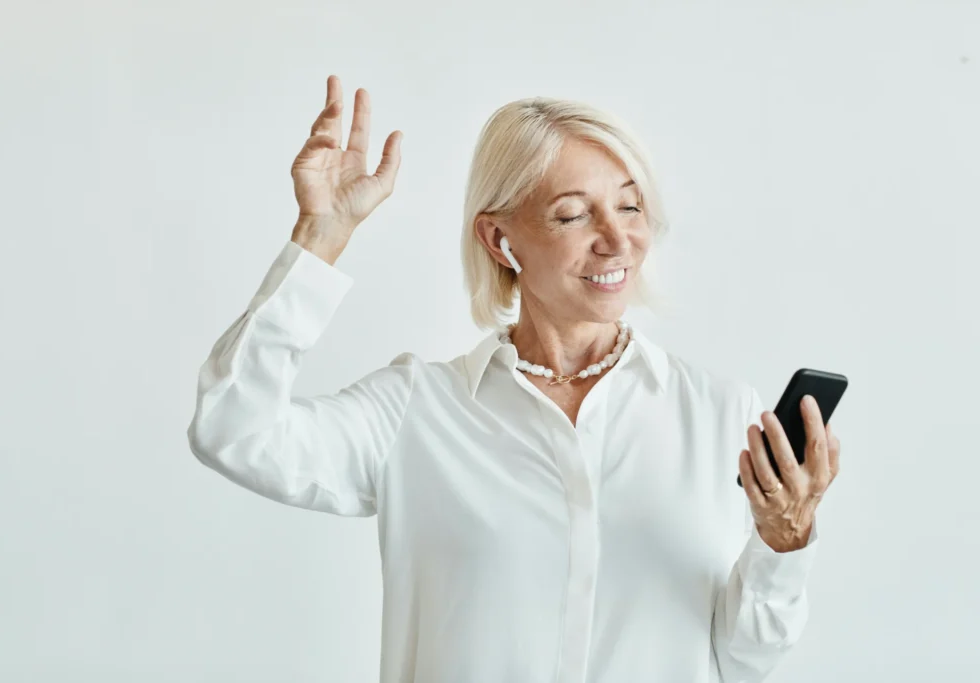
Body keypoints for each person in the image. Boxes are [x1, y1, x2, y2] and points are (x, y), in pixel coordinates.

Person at [186, 74, 841, 683]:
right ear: (501, 241)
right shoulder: (417, 410)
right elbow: (233, 430)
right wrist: (318, 238)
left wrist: (784, 543)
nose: (618, 240)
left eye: (631, 206)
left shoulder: (722, 415)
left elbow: (748, 656)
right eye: (573, 214)